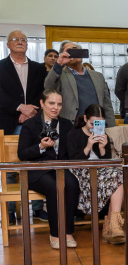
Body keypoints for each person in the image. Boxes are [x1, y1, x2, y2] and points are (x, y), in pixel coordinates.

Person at [17, 90, 80, 249]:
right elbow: (22, 153)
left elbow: (71, 152)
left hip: (59, 169)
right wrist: (41, 147)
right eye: (51, 103)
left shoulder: (66, 124)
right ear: (41, 103)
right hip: (37, 169)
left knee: (73, 185)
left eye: (59, 104)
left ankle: (67, 231)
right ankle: (55, 234)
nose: (55, 108)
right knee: (54, 188)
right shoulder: (30, 124)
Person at [66, 104, 125, 244]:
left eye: (99, 123)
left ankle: (113, 226)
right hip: (81, 173)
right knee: (117, 177)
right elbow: (73, 162)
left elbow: (107, 163)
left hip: (102, 173)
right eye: (92, 123)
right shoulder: (73, 134)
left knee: (118, 174)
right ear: (85, 118)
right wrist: (87, 147)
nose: (95, 127)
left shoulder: (104, 135)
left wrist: (102, 149)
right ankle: (112, 227)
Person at [45, 41, 116, 127]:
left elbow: (107, 104)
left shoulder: (98, 76)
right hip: (71, 125)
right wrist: (59, 64)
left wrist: (111, 127)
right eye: (69, 51)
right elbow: (48, 87)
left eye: (76, 50)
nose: (74, 53)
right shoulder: (59, 75)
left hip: (97, 126)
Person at [0, 31, 46, 135]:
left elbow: (43, 92)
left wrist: (29, 112)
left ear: (27, 45)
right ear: (7, 45)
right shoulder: (1, 67)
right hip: (7, 122)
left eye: (23, 40)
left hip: (35, 120)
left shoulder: (39, 68)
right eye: (15, 39)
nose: (20, 42)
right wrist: (20, 107)